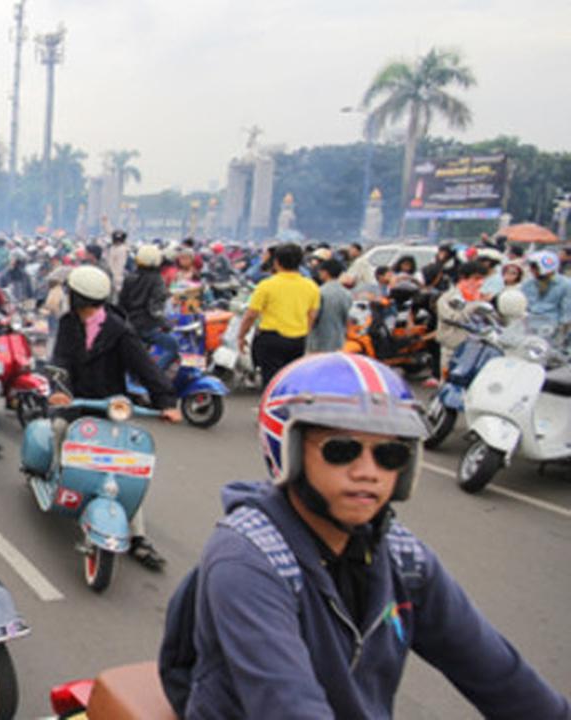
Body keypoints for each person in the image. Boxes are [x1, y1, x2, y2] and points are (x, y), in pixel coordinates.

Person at [181, 352, 569, 719]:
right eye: (341, 450)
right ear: (289, 449)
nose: (368, 471)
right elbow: (287, 703)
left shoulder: (403, 557)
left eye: (389, 455)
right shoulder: (248, 559)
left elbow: (497, 672)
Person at [47, 266, 180, 567]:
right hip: (77, 402)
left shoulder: (119, 329)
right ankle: (61, 479)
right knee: (58, 428)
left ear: (75, 295)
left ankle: (139, 537)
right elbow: (61, 361)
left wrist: (166, 400)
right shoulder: (69, 324)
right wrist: (59, 389)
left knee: (125, 466)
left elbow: (144, 366)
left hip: (110, 405)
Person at [235, 244, 320, 387]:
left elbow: (251, 315)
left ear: (277, 262)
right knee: (291, 378)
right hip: (297, 340)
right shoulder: (311, 286)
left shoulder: (266, 285)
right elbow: (312, 316)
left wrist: (241, 336)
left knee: (271, 380)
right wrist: (304, 334)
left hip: (270, 339)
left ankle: (272, 406)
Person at [120, 244, 180, 369]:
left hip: (129, 325)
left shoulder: (129, 278)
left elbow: (121, 304)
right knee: (173, 346)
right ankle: (155, 373)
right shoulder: (157, 279)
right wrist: (167, 324)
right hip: (147, 327)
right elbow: (155, 309)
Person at [435, 261, 487, 375]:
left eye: (482, 279)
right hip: (452, 350)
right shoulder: (448, 298)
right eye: (476, 278)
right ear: (463, 277)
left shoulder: (479, 297)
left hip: (474, 350)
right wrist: (472, 308)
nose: (479, 283)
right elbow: (453, 318)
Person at [520, 250, 571, 349]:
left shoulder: (566, 285)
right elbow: (522, 306)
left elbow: (567, 313)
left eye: (535, 267)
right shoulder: (528, 284)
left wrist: (561, 335)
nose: (531, 270)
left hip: (552, 330)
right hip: (528, 328)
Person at [306, 259, 351, 354]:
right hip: (339, 340)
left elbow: (314, 317)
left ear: (326, 273)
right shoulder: (347, 293)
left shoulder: (319, 292)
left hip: (319, 341)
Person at [106, 229, 131, 300]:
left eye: (119, 239)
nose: (118, 241)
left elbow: (120, 266)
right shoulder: (112, 248)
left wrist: (117, 281)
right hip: (111, 277)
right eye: (116, 239)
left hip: (117, 279)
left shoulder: (123, 249)